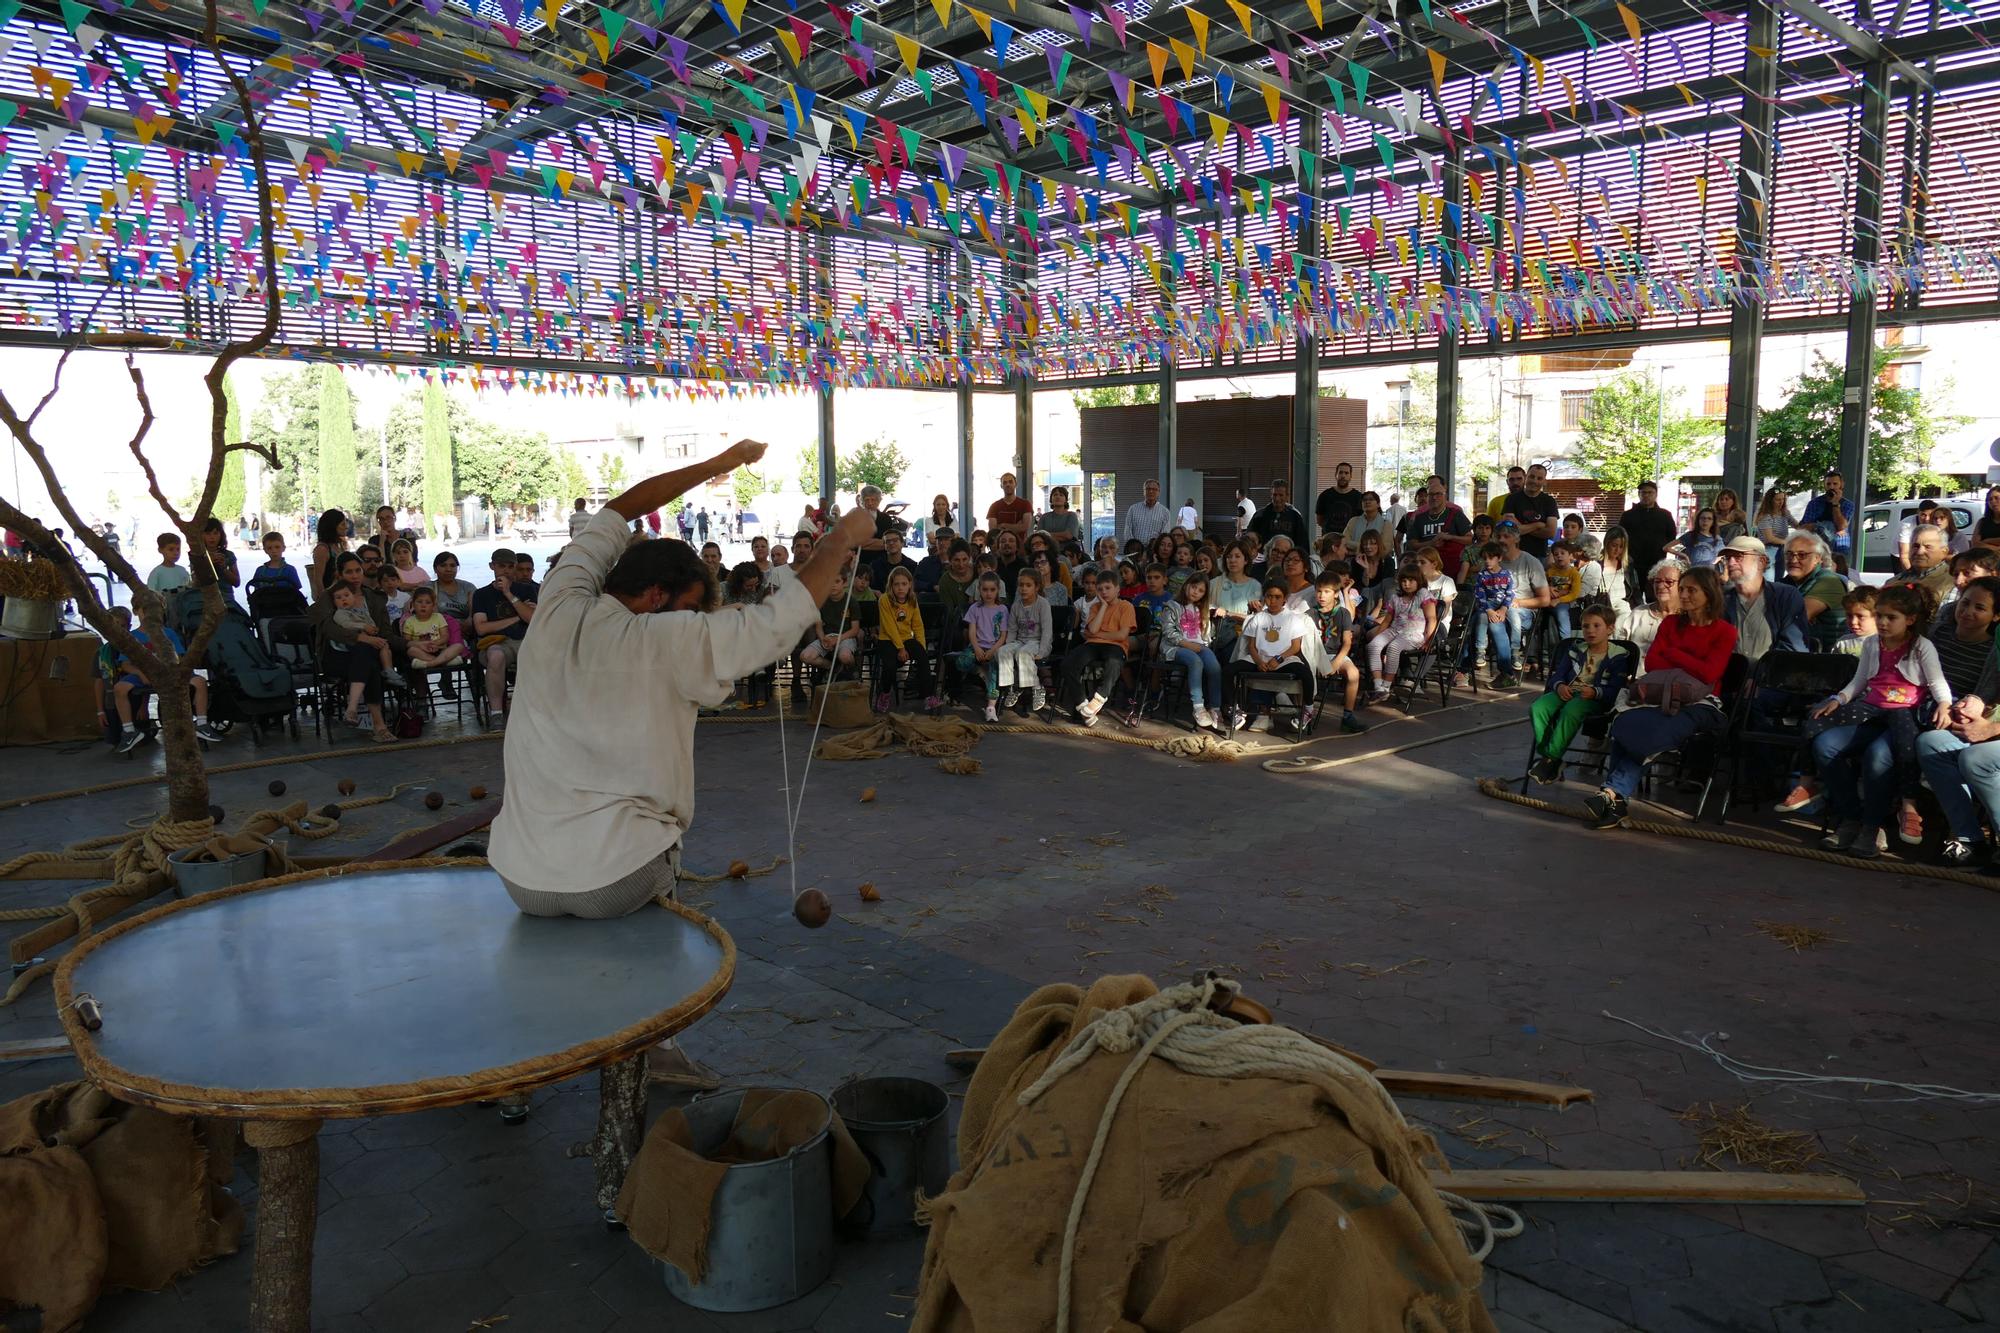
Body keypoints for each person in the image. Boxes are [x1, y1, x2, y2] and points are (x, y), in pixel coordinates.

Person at [489, 442, 871, 916]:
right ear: (654, 596)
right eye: (690, 608)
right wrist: (842, 537)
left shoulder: (557, 600)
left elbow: (619, 507)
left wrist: (720, 463)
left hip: (518, 875)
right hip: (618, 873)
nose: (692, 620)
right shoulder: (665, 638)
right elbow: (779, 621)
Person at [1584, 566, 1740, 829]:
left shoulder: (1724, 631)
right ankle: (1614, 797)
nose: (1684, 594)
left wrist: (1674, 655)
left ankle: (1611, 795)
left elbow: (1709, 673)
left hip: (1701, 703)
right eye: (1683, 589)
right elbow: (1655, 662)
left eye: (1691, 589)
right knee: (1628, 722)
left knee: (1650, 731)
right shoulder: (1670, 624)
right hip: (1659, 695)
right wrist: (1687, 662)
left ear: (1709, 593)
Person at [1807, 582, 1948, 856]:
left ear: (1910, 619)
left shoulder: (1921, 646)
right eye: (1880, 615)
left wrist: (1944, 704)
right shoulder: (1873, 643)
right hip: (1872, 709)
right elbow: (1859, 681)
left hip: (1903, 715)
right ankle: (1851, 818)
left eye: (1891, 617)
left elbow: (1937, 682)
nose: (1883, 622)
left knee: (1877, 755)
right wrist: (1838, 699)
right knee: (1824, 745)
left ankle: (1872, 826)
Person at [1527, 606, 1634, 785]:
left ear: (1610, 628)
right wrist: (1559, 685)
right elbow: (1558, 674)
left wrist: (1595, 692)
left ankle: (1550, 758)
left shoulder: (1618, 656)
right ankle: (1553, 760)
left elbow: (1617, 688)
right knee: (1538, 707)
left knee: (1571, 710)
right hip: (1568, 691)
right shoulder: (1575, 650)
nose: (1590, 630)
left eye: (1596, 625)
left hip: (1593, 698)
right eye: (1585, 626)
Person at [108, 611, 225, 752]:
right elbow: (125, 664)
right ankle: (129, 730)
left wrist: (175, 671)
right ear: (136, 611)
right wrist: (141, 673)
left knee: (199, 682)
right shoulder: (132, 636)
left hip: (171, 671)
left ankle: (201, 723)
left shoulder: (169, 633)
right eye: (144, 611)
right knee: (120, 688)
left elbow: (179, 657)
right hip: (144, 673)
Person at [1226, 580, 1314, 731]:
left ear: (1284, 598)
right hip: (1260, 658)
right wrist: (1259, 661)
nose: (1272, 601)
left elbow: (1295, 646)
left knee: (1305, 673)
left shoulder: (1292, 618)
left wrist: (1279, 658)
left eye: (1277, 597)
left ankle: (1308, 710)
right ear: (1264, 597)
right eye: (1269, 596)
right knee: (1228, 670)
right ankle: (1233, 710)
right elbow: (1252, 646)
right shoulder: (1258, 618)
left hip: (1284, 659)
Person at [472, 549, 537, 728]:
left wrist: (509, 594)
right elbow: (481, 627)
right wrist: (517, 616)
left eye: (510, 566)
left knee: (545, 654)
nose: (506, 570)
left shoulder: (527, 590)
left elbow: (532, 619)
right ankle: (496, 713)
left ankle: (537, 709)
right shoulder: (481, 594)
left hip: (525, 641)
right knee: (496, 656)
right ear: (492, 566)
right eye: (501, 566)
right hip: (497, 643)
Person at [1064, 577, 1137, 727]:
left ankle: (1099, 699)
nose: (1104, 592)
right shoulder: (1096, 607)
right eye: (1100, 589)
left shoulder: (1126, 606)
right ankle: (1083, 705)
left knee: (1114, 663)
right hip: (1092, 644)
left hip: (1116, 646)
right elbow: (1093, 629)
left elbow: (1121, 635)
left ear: (1117, 589)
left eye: (1108, 588)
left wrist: (1097, 635)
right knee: (1068, 664)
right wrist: (1103, 606)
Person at [1719, 536, 1807, 659]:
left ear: (1761, 561)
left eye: (1739, 556)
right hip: (1732, 676)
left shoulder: (1786, 597)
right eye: (1728, 558)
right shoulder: (1721, 600)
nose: (1731, 562)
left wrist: (1763, 675)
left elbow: (1793, 650)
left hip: (1772, 676)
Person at [1157, 570, 1223, 729]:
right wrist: (1188, 645)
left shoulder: (1202, 609)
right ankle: (1198, 707)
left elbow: (1207, 634)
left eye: (1201, 591)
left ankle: (1215, 707)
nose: (1196, 592)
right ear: (1186, 585)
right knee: (1196, 662)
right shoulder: (1172, 606)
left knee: (1214, 666)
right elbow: (1168, 632)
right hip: (1177, 647)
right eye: (1194, 587)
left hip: (1199, 646)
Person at [1306, 566, 1367, 735]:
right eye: (1319, 591)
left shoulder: (1343, 614)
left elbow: (1347, 643)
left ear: (1335, 593)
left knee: (1353, 673)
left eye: (1326, 592)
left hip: (1335, 654)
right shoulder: (1309, 614)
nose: (1321, 596)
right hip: (1315, 654)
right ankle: (1304, 712)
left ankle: (1348, 716)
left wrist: (1336, 662)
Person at [1366, 565, 1437, 700]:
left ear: (1419, 580)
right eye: (1404, 581)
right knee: (1373, 645)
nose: (1406, 584)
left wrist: (1429, 640)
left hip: (1413, 634)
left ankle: (1386, 686)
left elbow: (1432, 619)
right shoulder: (1395, 598)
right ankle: (1378, 686)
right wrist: (1378, 635)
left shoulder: (1423, 594)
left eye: (1411, 580)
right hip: (1394, 630)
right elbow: (1387, 621)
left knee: (1393, 647)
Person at [875, 566, 939, 713]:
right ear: (891, 585)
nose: (900, 588)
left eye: (904, 584)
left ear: (910, 584)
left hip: (905, 638)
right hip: (888, 640)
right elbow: (890, 626)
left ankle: (928, 697)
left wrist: (921, 647)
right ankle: (885, 694)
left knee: (923, 658)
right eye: (896, 584)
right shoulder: (884, 600)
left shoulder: (912, 600)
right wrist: (900, 648)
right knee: (889, 666)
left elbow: (917, 625)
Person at [1000, 567, 1055, 715]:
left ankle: (1037, 687)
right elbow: (1012, 629)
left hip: (1037, 642)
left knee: (1023, 653)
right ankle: (1012, 686)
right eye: (1021, 585)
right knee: (1003, 651)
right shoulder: (1016, 605)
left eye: (1028, 585)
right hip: (1020, 641)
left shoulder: (1042, 604)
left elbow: (1047, 630)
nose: (1023, 589)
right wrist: (1009, 644)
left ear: (1037, 587)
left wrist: (1042, 651)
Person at [1779, 534, 1847, 651]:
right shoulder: (1785, 583)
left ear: (1818, 558)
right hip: (1798, 652)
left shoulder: (1830, 582)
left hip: (1826, 659)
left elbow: (1797, 618)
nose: (1793, 560)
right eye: (1789, 554)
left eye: (1802, 555)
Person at [1466, 543, 1518, 689]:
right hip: (1485, 607)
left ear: (1499, 558)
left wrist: (1504, 608)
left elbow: (1510, 593)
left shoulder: (1506, 574)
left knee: (1497, 627)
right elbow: (1479, 594)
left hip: (1501, 608)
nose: (1488, 561)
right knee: (1476, 623)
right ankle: (1470, 661)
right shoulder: (1482, 575)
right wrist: (1488, 609)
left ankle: (1507, 671)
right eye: (1485, 559)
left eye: (1491, 558)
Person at [800, 569, 864, 676]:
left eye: (837, 581)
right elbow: (819, 626)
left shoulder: (851, 601)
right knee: (805, 656)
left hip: (845, 637)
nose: (833, 585)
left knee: (845, 656)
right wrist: (822, 638)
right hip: (827, 637)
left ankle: (853, 668)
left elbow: (855, 630)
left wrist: (837, 640)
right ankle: (832, 667)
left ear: (845, 583)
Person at [1398, 482, 1473, 574]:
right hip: (1426, 570)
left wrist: (1451, 537)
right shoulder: (1419, 518)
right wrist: (1431, 543)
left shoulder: (1456, 514)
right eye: (1431, 494)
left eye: (1438, 494)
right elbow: (1412, 544)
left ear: (1445, 496)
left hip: (1452, 568)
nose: (1434, 497)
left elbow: (1470, 539)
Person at [1617, 481, 1678, 579]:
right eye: (1643, 492)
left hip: (1657, 563)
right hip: (1633, 563)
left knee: (1654, 592)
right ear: (1639, 494)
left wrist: (1660, 549)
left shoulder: (1665, 515)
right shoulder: (1628, 515)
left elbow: (1672, 536)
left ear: (1656, 494)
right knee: (1633, 593)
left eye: (1650, 492)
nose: (1646, 495)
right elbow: (1620, 536)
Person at [1501, 464, 1561, 559]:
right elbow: (1508, 530)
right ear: (1526, 477)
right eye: (1532, 477)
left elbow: (1550, 532)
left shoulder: (1549, 501)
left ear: (1544, 481)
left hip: (1539, 556)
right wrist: (1537, 525)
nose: (1534, 481)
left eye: (1539, 478)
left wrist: (1519, 526)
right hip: (1513, 556)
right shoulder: (1512, 499)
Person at [400, 586, 464, 672]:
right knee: (411, 650)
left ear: (433, 606)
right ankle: (444, 661)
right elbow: (407, 641)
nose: (423, 605)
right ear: (413, 604)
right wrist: (423, 645)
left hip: (440, 648)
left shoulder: (439, 617)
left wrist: (436, 643)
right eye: (419, 602)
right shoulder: (409, 621)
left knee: (458, 646)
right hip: (421, 651)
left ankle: (430, 664)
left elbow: (445, 636)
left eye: (428, 603)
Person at [1887, 524, 1954, 606]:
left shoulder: (1952, 583)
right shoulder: (1893, 582)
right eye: (1915, 546)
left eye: (1928, 547)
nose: (1920, 552)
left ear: (1944, 551)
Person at [1800, 471, 1854, 558]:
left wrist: (1835, 504)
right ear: (1824, 485)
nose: (1831, 487)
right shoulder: (1814, 503)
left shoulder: (1847, 505)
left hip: (1840, 548)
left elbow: (1841, 527)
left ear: (1842, 484)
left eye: (1835, 484)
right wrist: (1819, 527)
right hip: (1817, 548)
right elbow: (1803, 527)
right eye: (1828, 484)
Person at [1246, 479, 1309, 551]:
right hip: (1264, 559)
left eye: (1281, 495)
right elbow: (1249, 539)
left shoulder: (1295, 517)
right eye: (1275, 495)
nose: (1277, 498)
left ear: (1287, 496)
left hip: (1288, 559)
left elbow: (1303, 544)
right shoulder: (1260, 516)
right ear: (1271, 495)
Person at [246, 531, 303, 608]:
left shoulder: (290, 570)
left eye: (277, 547)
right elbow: (256, 592)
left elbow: (296, 592)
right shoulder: (260, 571)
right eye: (269, 548)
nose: (274, 551)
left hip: (287, 608)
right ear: (265, 550)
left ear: (283, 548)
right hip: (265, 608)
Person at [1314, 462, 1364, 540]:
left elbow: (1361, 521)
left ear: (1351, 476)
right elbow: (1319, 520)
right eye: (1340, 472)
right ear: (1336, 475)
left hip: (1350, 540)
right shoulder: (1325, 495)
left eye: (1346, 473)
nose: (1343, 476)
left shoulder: (1358, 497)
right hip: (1329, 539)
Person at [866, 527, 920, 593]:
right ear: (884, 545)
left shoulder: (912, 566)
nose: (891, 543)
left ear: (902, 543)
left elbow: (915, 589)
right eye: (887, 541)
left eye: (895, 540)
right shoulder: (875, 566)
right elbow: (869, 587)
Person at [985, 473, 1033, 546]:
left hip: (1021, 548)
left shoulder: (1025, 504)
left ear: (1015, 484)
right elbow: (993, 532)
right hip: (1000, 549)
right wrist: (1016, 526)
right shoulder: (994, 506)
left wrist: (1003, 525)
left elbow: (1025, 527)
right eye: (1005, 482)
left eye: (1010, 482)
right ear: (1001, 486)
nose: (1008, 485)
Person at [1125, 479, 1172, 547]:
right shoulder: (1133, 509)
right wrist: (1133, 546)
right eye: (1148, 489)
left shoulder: (1165, 512)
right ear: (1144, 491)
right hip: (1135, 549)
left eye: (1154, 489)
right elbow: (1127, 530)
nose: (1151, 491)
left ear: (1159, 492)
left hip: (1154, 550)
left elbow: (1164, 534)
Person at [431, 553, 475, 623]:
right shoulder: (429, 588)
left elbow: (474, 613)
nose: (448, 569)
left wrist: (470, 621)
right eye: (443, 565)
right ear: (435, 569)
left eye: (452, 565)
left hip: (467, 629)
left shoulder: (468, 587)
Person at [1753, 487, 1793, 563]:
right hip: (1768, 548)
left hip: (1782, 548)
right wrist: (1788, 542)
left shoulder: (1785, 513)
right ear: (1770, 501)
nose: (1781, 502)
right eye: (1778, 500)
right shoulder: (1765, 515)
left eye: (1783, 499)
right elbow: (1769, 538)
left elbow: (1797, 525)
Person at [1976, 487, 2000, 551]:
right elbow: (1975, 544)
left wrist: (1987, 541)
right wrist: (1997, 549)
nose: (1993, 501)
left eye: (1996, 498)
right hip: (1983, 559)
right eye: (1990, 499)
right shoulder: (1982, 522)